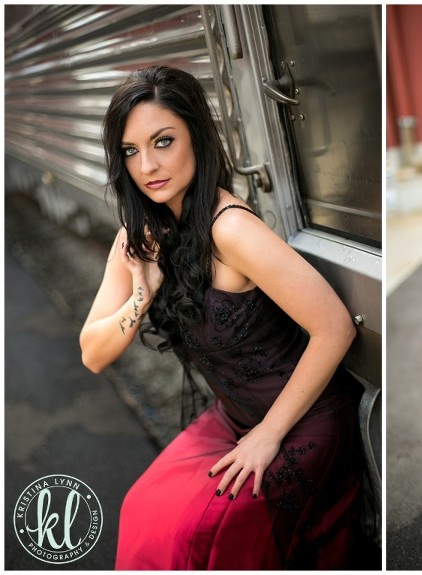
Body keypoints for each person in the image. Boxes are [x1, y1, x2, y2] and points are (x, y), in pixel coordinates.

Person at [79, 65, 366, 569]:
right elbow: (93, 354)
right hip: (233, 418)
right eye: (130, 151)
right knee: (141, 510)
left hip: (301, 420)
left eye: (163, 141)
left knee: (191, 539)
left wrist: (269, 433)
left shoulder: (230, 229)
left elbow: (335, 328)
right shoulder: (139, 237)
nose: (148, 165)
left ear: (196, 136)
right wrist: (142, 294)